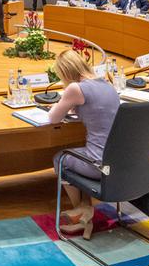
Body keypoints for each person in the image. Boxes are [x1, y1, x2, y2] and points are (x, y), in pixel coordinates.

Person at [46, 49, 121, 240]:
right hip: (118, 160)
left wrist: (60, 104)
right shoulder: (107, 84)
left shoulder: (75, 89)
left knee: (60, 158)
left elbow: (53, 118)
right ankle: (85, 208)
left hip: (98, 163)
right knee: (79, 153)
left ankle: (82, 212)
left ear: (65, 72)